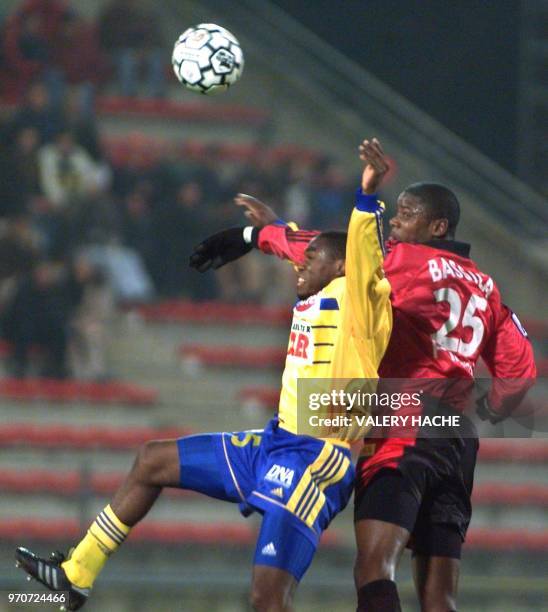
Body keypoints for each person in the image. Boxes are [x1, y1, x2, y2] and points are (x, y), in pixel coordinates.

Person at [14, 139, 392, 611]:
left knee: (266, 598)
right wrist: (263, 232)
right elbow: (295, 242)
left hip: (318, 459)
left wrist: (367, 196)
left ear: (340, 266)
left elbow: (363, 253)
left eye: (312, 259)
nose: (301, 263)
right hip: (276, 444)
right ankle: (76, 573)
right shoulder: (318, 281)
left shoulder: (361, 298)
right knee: (152, 460)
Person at [196, 138, 537, 612]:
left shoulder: (403, 260)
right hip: (458, 441)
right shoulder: (488, 288)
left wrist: (260, 235)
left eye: (408, 212)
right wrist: (489, 409)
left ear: (438, 226)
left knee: (375, 569)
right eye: (397, 210)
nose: (396, 220)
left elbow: (329, 253)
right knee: (441, 599)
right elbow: (519, 373)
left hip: (402, 431)